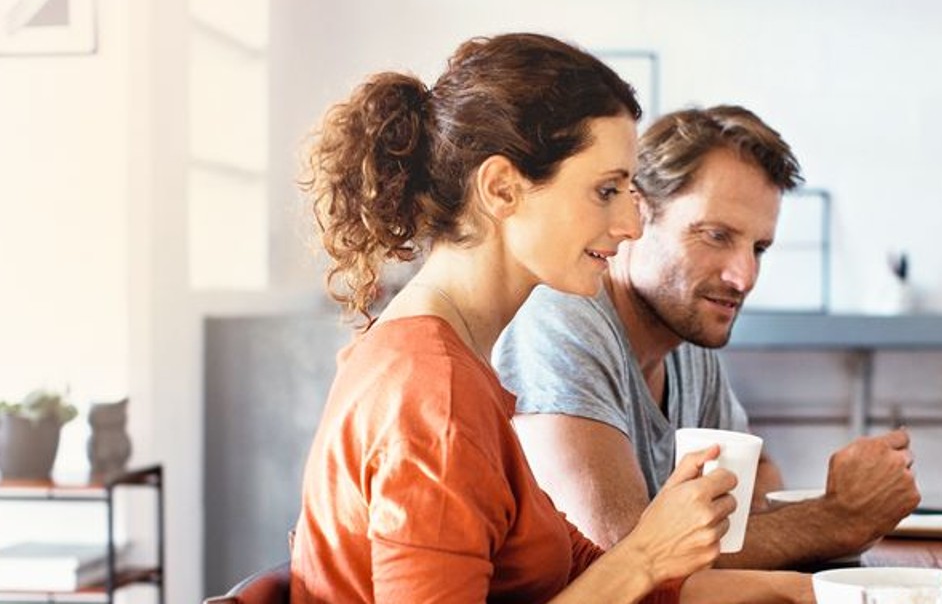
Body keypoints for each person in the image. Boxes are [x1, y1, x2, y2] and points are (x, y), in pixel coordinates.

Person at [290, 34, 811, 603]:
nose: (631, 226)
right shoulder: (435, 397)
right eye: (606, 190)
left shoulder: (454, 366)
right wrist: (645, 554)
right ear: (502, 189)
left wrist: (817, 593)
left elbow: (586, 578)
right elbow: (624, 577)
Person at [494, 105, 922, 570]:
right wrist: (837, 518)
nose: (744, 277)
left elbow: (755, 482)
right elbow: (622, 562)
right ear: (634, 214)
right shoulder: (561, 318)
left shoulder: (687, 342)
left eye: (759, 248)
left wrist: (825, 519)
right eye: (716, 236)